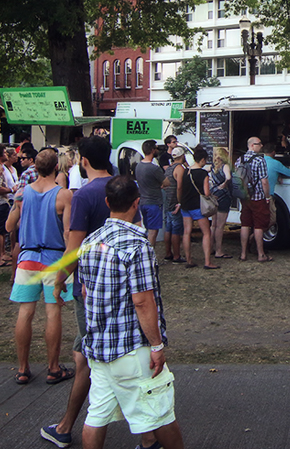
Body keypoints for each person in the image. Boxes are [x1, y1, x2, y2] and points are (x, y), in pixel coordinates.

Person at [77, 175, 185, 449]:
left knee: (96, 415)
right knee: (162, 414)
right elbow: (143, 301)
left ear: (106, 202)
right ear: (137, 203)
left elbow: (86, 292)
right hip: (131, 347)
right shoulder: (137, 245)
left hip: (99, 347)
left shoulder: (90, 241)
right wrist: (157, 344)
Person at [40, 135, 113, 449]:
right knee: (90, 349)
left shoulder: (84, 195)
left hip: (90, 285)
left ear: (83, 161)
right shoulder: (123, 186)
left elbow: (74, 247)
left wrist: (59, 281)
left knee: (89, 354)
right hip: (118, 281)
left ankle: (68, 426)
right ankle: (67, 425)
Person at [5, 149, 75, 386]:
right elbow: (67, 233)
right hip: (53, 258)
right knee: (52, 311)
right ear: (57, 167)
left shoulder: (23, 193)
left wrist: (17, 205)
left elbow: (8, 226)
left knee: (25, 312)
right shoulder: (64, 195)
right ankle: (53, 368)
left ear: (35, 167)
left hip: (28, 258)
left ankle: (23, 368)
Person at [176, 146, 217, 269]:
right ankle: (207, 261)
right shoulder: (203, 173)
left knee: (187, 232)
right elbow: (206, 192)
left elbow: (180, 188)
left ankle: (189, 259)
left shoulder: (186, 171)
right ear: (203, 160)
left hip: (185, 205)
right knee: (206, 233)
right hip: (198, 206)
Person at [236, 137, 272, 262]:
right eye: (259, 144)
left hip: (244, 197)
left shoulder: (239, 160)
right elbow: (264, 182)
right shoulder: (259, 160)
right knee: (258, 226)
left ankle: (243, 254)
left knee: (245, 224)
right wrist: (267, 197)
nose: (261, 146)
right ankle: (261, 254)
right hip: (257, 197)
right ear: (252, 145)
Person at [135, 140, 165, 247]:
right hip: (154, 202)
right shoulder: (154, 168)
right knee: (153, 231)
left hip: (143, 201)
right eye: (156, 148)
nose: (157, 150)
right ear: (152, 150)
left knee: (147, 229)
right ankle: (149, 255)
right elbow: (166, 182)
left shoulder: (138, 166)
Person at [162, 147, 187, 263]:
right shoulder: (179, 168)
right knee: (176, 229)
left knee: (168, 228)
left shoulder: (169, 168)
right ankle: (177, 255)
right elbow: (180, 186)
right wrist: (179, 202)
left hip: (167, 200)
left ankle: (168, 253)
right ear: (182, 156)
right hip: (174, 201)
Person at [209, 148, 233, 259]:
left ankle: (210, 248)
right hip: (224, 197)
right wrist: (224, 184)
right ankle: (219, 250)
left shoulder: (212, 167)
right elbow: (228, 177)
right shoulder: (225, 166)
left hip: (214, 196)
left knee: (213, 224)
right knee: (220, 226)